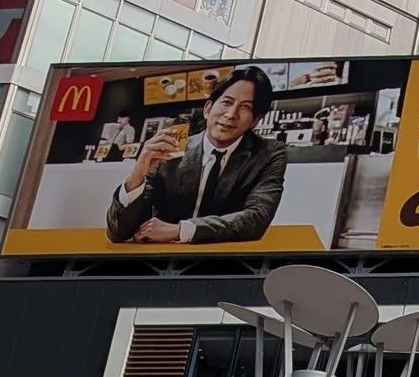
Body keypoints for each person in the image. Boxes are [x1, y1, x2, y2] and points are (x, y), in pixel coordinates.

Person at [104, 64, 288, 245]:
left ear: (255, 120)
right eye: (226, 102)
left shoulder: (269, 153)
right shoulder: (171, 148)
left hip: (229, 259)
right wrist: (137, 175)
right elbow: (118, 232)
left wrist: (180, 230)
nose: (231, 114)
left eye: (245, 107)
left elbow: (256, 218)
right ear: (208, 109)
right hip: (164, 258)